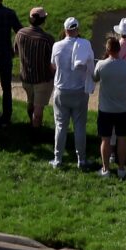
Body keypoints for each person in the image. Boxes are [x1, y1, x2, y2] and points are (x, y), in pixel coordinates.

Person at [51, 14, 96, 170]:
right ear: (77, 29)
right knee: (79, 126)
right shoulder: (85, 44)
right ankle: (81, 160)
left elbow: (53, 66)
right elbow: (91, 65)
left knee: (60, 125)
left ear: (65, 30)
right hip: (78, 91)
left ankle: (58, 159)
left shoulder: (57, 46)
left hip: (61, 90)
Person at [92, 34, 126, 176]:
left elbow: (95, 77)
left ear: (108, 49)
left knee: (105, 139)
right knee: (122, 138)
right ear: (119, 50)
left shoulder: (101, 65)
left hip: (105, 108)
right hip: (122, 108)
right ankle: (121, 169)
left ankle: (105, 169)